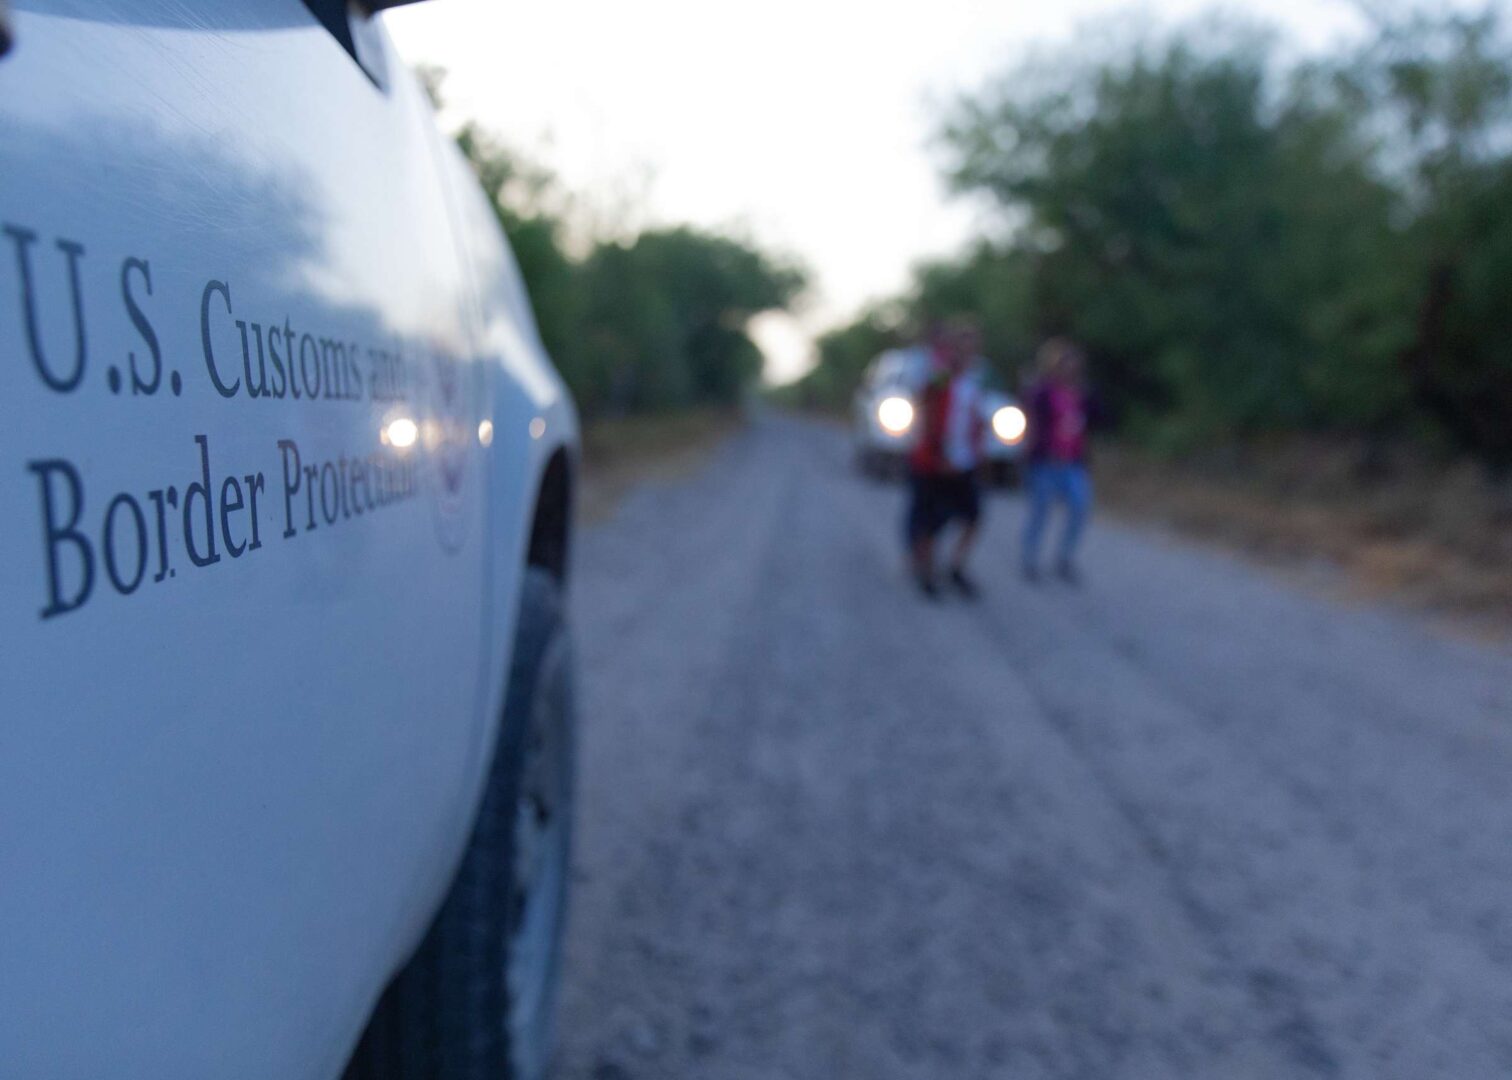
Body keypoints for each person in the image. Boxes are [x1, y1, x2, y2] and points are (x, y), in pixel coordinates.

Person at [905, 320, 989, 599]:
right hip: (936, 461)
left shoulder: (974, 380)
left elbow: (976, 419)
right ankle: (926, 573)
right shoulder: (940, 376)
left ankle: (955, 567)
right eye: (962, 347)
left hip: (964, 462)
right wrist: (940, 455)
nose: (967, 353)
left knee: (973, 516)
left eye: (972, 348)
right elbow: (926, 412)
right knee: (932, 520)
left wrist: (979, 452)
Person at [1021, 338, 1095, 584]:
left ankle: (1064, 557)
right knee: (1040, 512)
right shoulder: (1043, 392)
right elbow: (1031, 420)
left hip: (1073, 462)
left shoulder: (1081, 394)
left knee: (1079, 507)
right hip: (1046, 461)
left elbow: (1096, 418)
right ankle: (1030, 558)